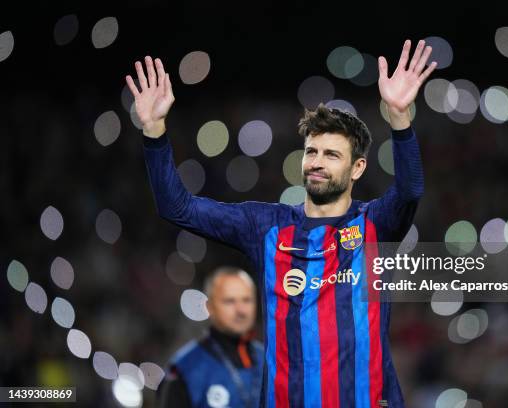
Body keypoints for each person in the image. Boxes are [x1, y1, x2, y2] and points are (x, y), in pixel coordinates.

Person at [126, 39, 436, 407]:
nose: (317, 162)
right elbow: (176, 207)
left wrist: (399, 117)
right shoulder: (266, 226)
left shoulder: (375, 225)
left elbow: (411, 190)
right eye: (312, 152)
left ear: (357, 168)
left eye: (332, 154)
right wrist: (154, 130)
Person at [156, 267, 264, 408]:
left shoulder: (270, 361)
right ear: (210, 307)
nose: (241, 310)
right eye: (230, 301)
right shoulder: (186, 368)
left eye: (247, 300)